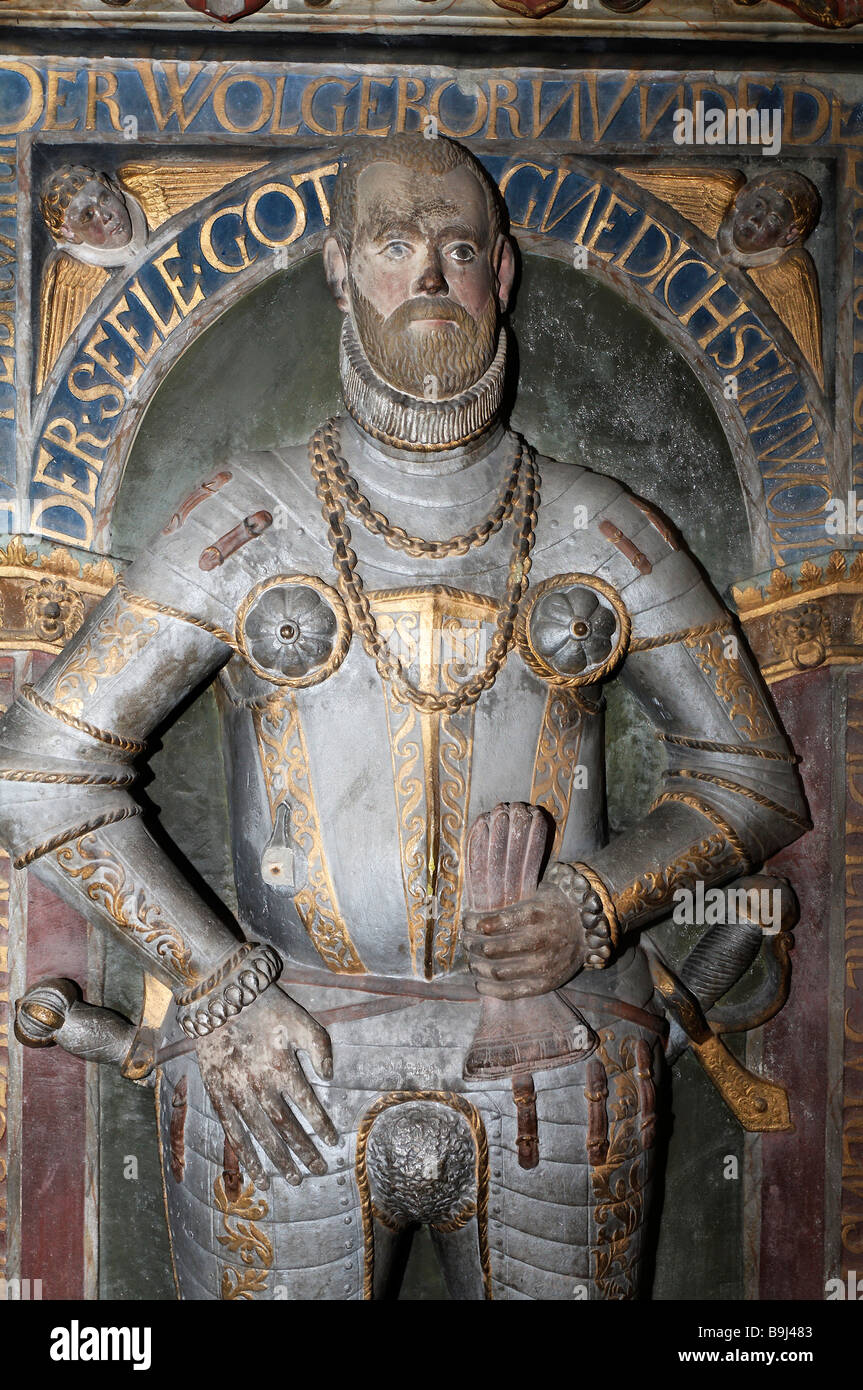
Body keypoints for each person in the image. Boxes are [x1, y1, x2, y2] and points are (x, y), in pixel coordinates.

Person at [0, 133, 807, 1300]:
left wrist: (595, 903)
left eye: (457, 247)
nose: (428, 275)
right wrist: (219, 975)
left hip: (554, 1055)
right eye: (393, 243)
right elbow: (41, 771)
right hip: (285, 1053)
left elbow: (751, 777)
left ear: (502, 274)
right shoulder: (246, 518)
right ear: (340, 267)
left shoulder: (597, 526)